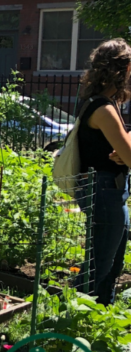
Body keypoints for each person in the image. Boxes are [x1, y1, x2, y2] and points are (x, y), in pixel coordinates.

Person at [76, 38, 131, 305]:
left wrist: (125, 147)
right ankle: (69, 314)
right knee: (99, 265)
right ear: (124, 70)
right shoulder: (104, 109)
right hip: (104, 191)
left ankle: (102, 317)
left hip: (111, 189)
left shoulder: (107, 103)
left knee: (113, 262)